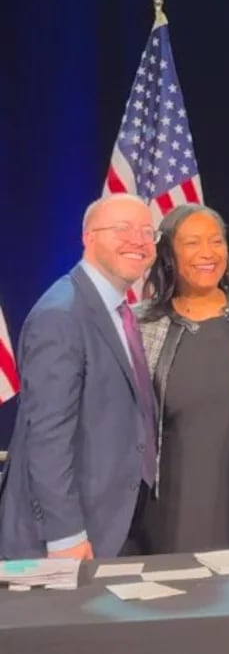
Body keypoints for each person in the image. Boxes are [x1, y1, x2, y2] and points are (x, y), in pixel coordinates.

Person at [0, 194, 158, 559]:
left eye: (147, 231)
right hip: (68, 538)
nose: (138, 240)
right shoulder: (62, 315)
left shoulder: (118, 311)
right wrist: (65, 534)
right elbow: (48, 436)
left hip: (115, 524)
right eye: (123, 228)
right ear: (88, 237)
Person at [137, 204, 229, 553]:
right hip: (174, 505)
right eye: (192, 243)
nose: (208, 253)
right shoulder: (142, 325)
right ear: (168, 254)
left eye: (216, 241)